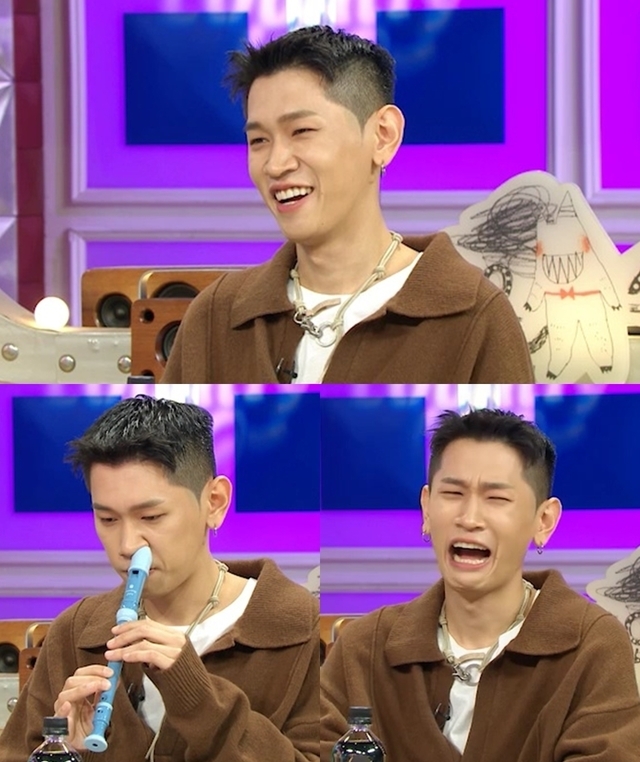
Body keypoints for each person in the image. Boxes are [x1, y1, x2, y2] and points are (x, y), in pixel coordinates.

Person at [161, 25, 533, 384]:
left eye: (301, 132)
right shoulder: (215, 316)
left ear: (383, 136)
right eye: (258, 140)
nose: (275, 164)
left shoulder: (474, 318)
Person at [0, 395, 319, 762]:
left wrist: (200, 701)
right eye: (107, 519)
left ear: (214, 502)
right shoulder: (75, 631)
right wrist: (67, 753)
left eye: (151, 518)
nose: (127, 545)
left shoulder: (298, 625)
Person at [320, 408, 640, 761]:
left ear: (544, 521)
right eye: (453, 493)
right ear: (427, 509)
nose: (469, 518)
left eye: (496, 499)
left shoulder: (592, 646)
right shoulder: (364, 649)